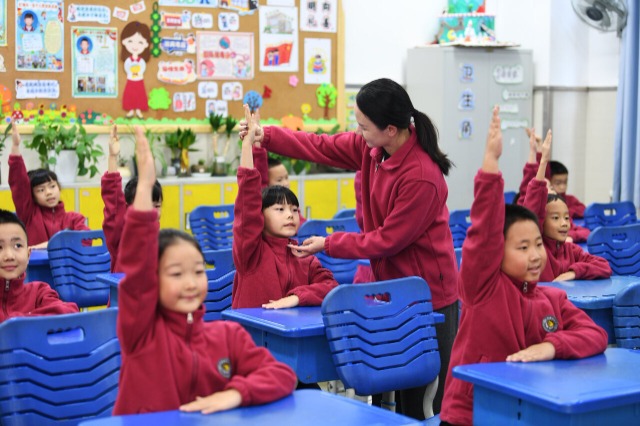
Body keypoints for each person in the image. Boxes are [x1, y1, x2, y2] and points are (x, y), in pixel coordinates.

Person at [240, 78, 459, 419]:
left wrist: (329, 243)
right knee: (388, 398)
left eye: (363, 126)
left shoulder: (421, 177)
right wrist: (264, 135)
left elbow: (387, 240)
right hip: (388, 292)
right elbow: (320, 146)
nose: (358, 132)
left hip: (427, 299)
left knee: (419, 405)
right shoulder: (372, 148)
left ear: (390, 130)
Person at [439, 107, 608, 426]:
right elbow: (484, 232)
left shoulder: (552, 299)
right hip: (471, 415)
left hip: (522, 412)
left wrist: (551, 346)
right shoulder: (483, 290)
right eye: (522, 247)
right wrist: (491, 165)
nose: (535, 255)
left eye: (538, 244)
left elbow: (596, 335)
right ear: (497, 253)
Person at [113, 127, 297, 415]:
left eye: (198, 272)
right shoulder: (141, 333)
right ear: (153, 279)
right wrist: (145, 190)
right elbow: (137, 268)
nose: (190, 283)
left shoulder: (227, 336)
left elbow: (283, 375)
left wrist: (238, 393)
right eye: (176, 274)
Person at [232, 105, 337, 310]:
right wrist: (248, 145)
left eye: (294, 210)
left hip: (290, 329)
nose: (290, 215)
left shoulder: (303, 256)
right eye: (280, 209)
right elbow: (247, 201)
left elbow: (331, 286)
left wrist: (297, 297)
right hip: (253, 329)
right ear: (260, 217)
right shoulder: (250, 252)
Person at [521, 130, 611, 282]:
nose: (564, 223)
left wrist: (573, 272)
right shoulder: (537, 250)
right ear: (541, 221)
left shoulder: (570, 250)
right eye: (556, 218)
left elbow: (604, 266)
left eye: (567, 218)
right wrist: (542, 161)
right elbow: (532, 208)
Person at [8, 121, 89, 249]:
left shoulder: (74, 219)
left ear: (59, 188)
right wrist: (15, 147)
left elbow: (85, 242)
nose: (49, 192)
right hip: (36, 263)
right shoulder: (29, 215)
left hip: (65, 263)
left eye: (52, 186)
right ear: (32, 196)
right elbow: (19, 184)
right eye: (41, 190)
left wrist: (42, 246)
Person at [101, 125, 163, 272]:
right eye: (146, 205)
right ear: (128, 208)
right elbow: (114, 200)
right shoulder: (120, 231)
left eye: (157, 206)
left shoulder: (156, 233)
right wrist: (112, 157)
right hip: (123, 286)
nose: (152, 211)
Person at [0, 210, 79, 323]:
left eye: (17, 245)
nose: (9, 256)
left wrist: (14, 322)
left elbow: (69, 312)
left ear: (28, 254)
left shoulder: (39, 292)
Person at [518, 128, 590, 243]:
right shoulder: (537, 225)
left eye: (551, 188)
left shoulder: (561, 211)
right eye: (555, 218)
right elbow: (530, 187)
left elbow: (586, 232)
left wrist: (570, 236)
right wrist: (535, 152)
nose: (555, 190)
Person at [121, 22, 151, 119]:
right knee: (129, 95)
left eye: (140, 42)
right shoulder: (128, 60)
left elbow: (142, 68)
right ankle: (130, 111)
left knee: (140, 95)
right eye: (130, 41)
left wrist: (138, 73)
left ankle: (138, 111)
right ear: (124, 41)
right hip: (130, 79)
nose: (135, 46)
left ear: (146, 44)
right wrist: (131, 73)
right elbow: (127, 68)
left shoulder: (141, 61)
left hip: (139, 79)